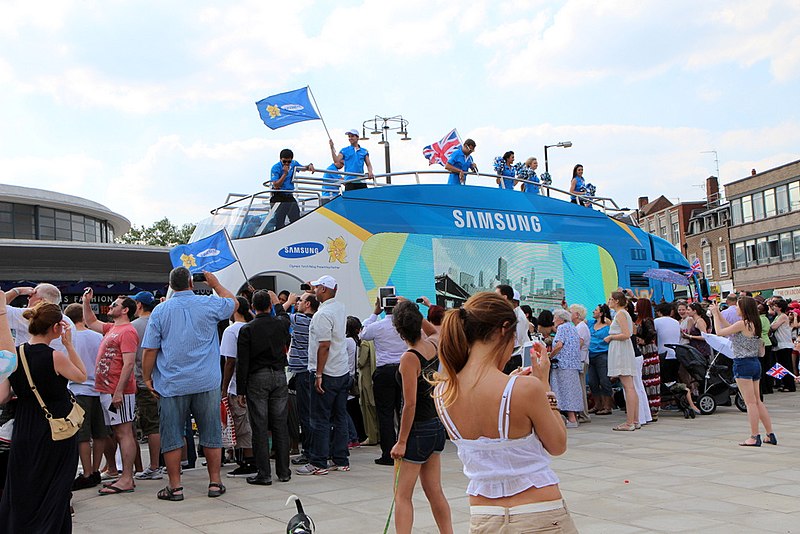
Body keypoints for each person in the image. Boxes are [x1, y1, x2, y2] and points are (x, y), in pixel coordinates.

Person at [432, 292, 577, 533]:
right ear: (504, 329)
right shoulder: (526, 389)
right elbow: (558, 444)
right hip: (539, 513)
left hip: (484, 516)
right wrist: (545, 387)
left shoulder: (443, 392)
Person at [141, 268, 236, 501]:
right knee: (211, 431)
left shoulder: (161, 311)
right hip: (206, 381)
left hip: (172, 383)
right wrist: (215, 284)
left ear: (171, 285)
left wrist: (146, 377)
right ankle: (215, 482)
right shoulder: (208, 304)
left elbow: (150, 349)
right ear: (192, 284)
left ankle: (175, 487)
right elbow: (233, 303)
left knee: (172, 435)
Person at [0, 299, 88, 532]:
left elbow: (3, 396)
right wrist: (69, 346)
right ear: (56, 327)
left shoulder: (16, 355)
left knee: (26, 485)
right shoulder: (54, 357)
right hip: (56, 430)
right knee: (56, 486)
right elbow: (81, 375)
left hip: (25, 427)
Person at [389, 300, 452, 534]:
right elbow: (435, 330)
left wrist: (402, 441)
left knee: (402, 495)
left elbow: (410, 403)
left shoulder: (409, 358)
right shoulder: (433, 344)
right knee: (434, 490)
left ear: (398, 330)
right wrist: (413, 311)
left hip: (417, 430)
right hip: (436, 425)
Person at [82, 290, 140, 495]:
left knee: (124, 433)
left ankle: (126, 478)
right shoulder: (113, 329)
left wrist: (118, 391)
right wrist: (86, 303)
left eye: (115, 304)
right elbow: (90, 322)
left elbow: (129, 363)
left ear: (125, 310)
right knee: (118, 432)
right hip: (107, 389)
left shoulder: (128, 332)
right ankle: (123, 476)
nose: (112, 306)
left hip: (118, 390)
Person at [296, 275, 350, 476]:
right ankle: (340, 459)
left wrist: (318, 374)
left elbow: (324, 346)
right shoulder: (339, 308)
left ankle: (318, 462)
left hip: (326, 373)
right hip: (341, 370)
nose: (314, 290)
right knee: (340, 416)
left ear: (325, 290)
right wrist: (311, 289)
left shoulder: (322, 315)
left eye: (317, 287)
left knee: (319, 418)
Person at [237, 290, 292, 486]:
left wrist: (241, 390)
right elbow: (285, 317)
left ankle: (264, 473)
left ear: (253, 307)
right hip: (278, 375)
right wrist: (278, 303)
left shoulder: (247, 329)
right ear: (269, 306)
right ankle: (284, 471)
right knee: (280, 424)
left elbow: (242, 362)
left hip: (257, 378)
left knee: (259, 426)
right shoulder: (280, 324)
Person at [710, 297, 776, 446]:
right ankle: (770, 434)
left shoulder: (742, 323)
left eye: (738, 306)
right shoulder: (754, 323)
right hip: (754, 363)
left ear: (744, 309)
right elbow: (730, 329)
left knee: (750, 403)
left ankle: (754, 436)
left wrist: (714, 315)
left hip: (742, 363)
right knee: (757, 401)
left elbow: (719, 332)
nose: (736, 309)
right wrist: (719, 314)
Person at [64, 303, 108, 491]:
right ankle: (97, 469)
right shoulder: (98, 336)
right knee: (99, 433)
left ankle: (87, 472)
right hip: (98, 389)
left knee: (82, 436)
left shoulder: (68, 338)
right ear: (83, 317)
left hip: (77, 389)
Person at [361, 297, 408, 466]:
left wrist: (374, 313)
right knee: (404, 411)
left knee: (385, 414)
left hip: (384, 371)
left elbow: (363, 333)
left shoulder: (378, 325)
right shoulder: (404, 325)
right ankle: (406, 449)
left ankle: (388, 454)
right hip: (404, 369)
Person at [220, 296, 256, 478]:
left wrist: (224, 387)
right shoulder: (254, 327)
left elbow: (229, 361)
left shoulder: (231, 330)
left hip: (237, 385)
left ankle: (248, 461)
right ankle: (254, 457)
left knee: (242, 424)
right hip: (255, 383)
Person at [129, 291, 164, 482]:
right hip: (163, 379)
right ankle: (173, 463)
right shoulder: (159, 322)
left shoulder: (133, 327)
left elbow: (131, 358)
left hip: (143, 381)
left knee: (151, 426)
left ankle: (154, 466)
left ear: (139, 305)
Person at [283, 291, 319, 466]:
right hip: (310, 371)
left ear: (308, 305)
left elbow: (279, 315)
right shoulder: (316, 320)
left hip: (304, 373)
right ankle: (316, 449)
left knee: (305, 414)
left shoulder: (300, 320)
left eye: (301, 300)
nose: (297, 302)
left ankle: (308, 451)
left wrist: (286, 302)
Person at [606, 291, 640, 431]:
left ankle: (630, 422)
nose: (608, 301)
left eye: (610, 299)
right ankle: (635, 420)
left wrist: (611, 337)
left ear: (616, 301)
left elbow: (626, 334)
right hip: (623, 351)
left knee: (628, 386)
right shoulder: (623, 314)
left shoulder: (620, 314)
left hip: (621, 352)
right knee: (630, 386)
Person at [550, 309, 584, 428]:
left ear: (560, 319)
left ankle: (571, 418)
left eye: (555, 317)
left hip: (563, 364)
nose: (553, 320)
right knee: (572, 391)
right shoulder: (573, 327)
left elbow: (559, 345)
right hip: (573, 364)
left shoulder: (562, 328)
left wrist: (550, 356)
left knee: (564, 391)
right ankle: (573, 417)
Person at [268, 148, 316, 231]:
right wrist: (285, 173)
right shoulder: (275, 168)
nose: (286, 164)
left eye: (288, 162)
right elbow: (276, 185)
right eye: (284, 162)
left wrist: (309, 166)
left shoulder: (293, 164)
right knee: (279, 221)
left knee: (296, 218)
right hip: (278, 196)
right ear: (280, 160)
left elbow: (303, 168)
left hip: (289, 196)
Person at [635, 298, 660, 422]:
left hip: (648, 351)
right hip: (644, 351)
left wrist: (644, 340)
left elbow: (652, 332)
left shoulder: (646, 320)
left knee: (650, 381)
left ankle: (653, 408)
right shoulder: (640, 319)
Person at [495, 285, 529, 374]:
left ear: (505, 297)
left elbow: (517, 340)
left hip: (513, 357)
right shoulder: (512, 314)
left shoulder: (518, 317)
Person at [587, 304, 614, 415]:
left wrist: (608, 321)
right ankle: (597, 404)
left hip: (602, 354)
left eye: (596, 310)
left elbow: (615, 329)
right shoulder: (590, 323)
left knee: (604, 380)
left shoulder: (607, 325)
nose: (593, 311)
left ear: (601, 313)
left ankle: (607, 406)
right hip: (590, 354)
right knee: (592, 382)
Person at [569, 304, 592, 423]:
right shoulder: (578, 327)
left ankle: (584, 414)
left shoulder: (581, 327)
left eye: (571, 312)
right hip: (580, 360)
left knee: (581, 387)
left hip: (581, 360)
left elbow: (579, 344)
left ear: (577, 314)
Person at [769, 299, 795, 392]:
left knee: (786, 365)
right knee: (780, 365)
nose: (774, 307)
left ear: (780, 307)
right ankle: (783, 383)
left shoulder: (783, 316)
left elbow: (773, 327)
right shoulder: (778, 316)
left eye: (775, 306)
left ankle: (789, 385)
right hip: (779, 345)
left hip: (784, 344)